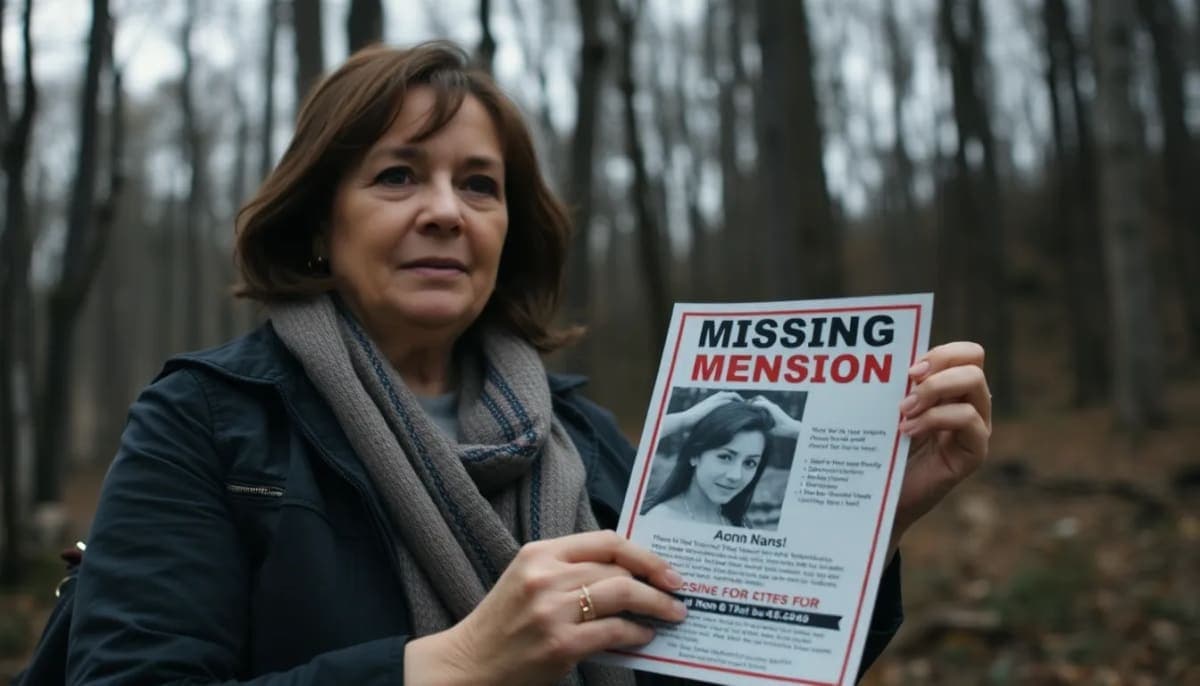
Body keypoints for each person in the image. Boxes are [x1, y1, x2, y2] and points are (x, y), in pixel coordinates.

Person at [64, 42, 994, 685]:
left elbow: (709, 676)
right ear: (317, 223)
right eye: (397, 175)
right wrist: (460, 666)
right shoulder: (208, 420)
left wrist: (871, 528)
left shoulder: (580, 436)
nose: (446, 211)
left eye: (479, 184)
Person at [641, 393, 800, 527]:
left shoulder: (737, 522)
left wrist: (795, 429)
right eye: (725, 457)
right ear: (695, 455)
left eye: (750, 463)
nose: (735, 475)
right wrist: (683, 419)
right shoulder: (661, 520)